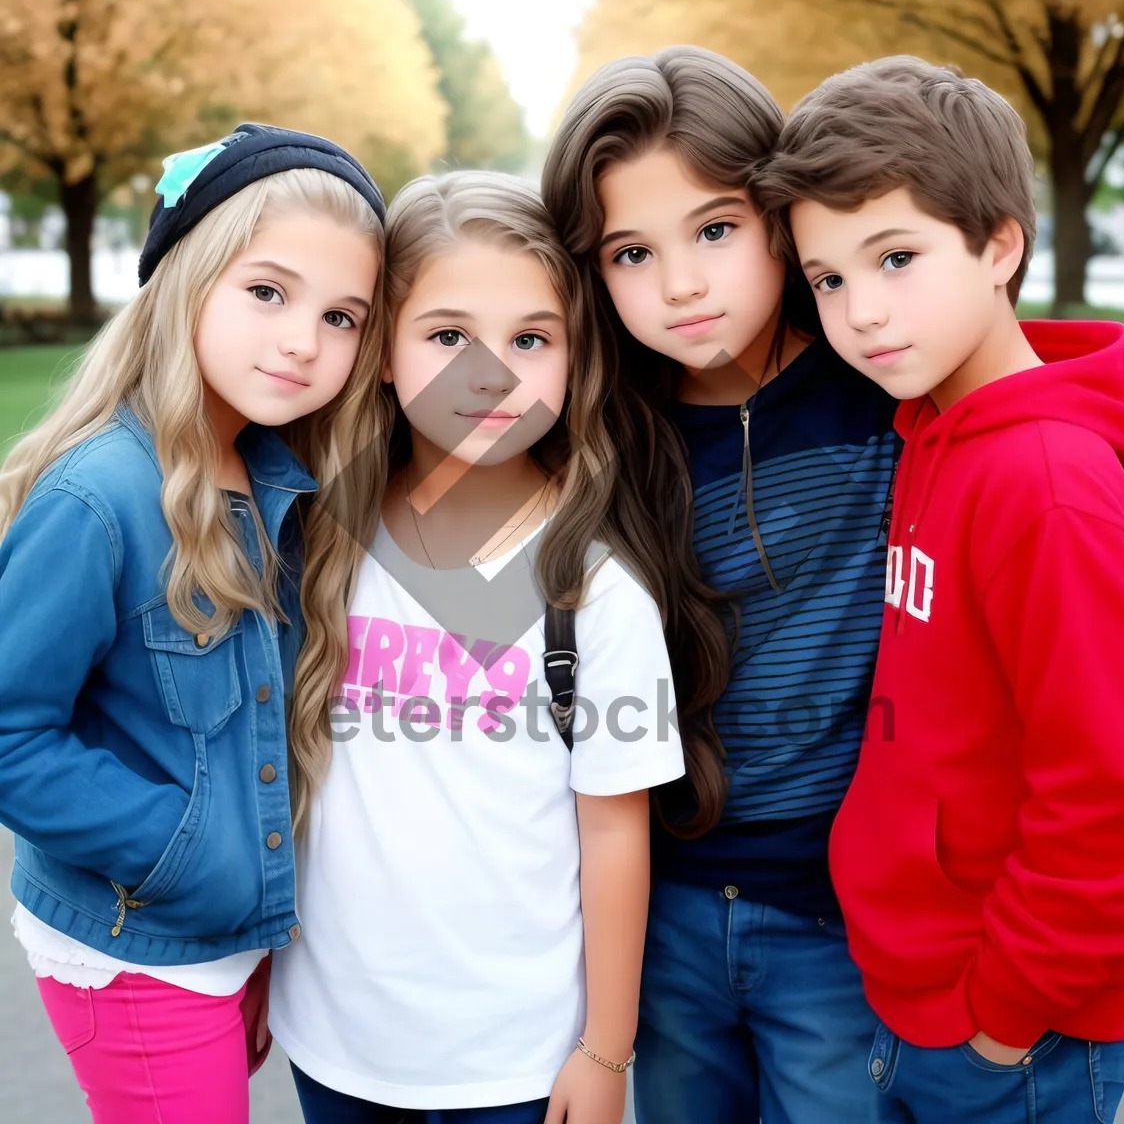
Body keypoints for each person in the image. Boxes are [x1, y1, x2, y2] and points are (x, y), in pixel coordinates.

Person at [756, 54, 1124, 1123]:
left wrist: (1003, 1015)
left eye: (896, 257)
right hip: (917, 988)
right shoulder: (934, 434)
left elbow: (1121, 788)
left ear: (1001, 244)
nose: (860, 312)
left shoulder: (1044, 483)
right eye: (829, 279)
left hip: (1013, 1025)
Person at [269, 171, 705, 1124]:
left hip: (520, 1061)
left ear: (573, 360)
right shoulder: (319, 542)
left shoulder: (594, 590)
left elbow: (613, 828)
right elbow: (291, 781)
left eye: (530, 341)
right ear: (383, 352)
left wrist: (607, 1047)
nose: (492, 375)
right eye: (448, 336)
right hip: (337, 1039)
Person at [0, 123, 390, 1124]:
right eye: (267, 292)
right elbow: (9, 730)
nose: (304, 339)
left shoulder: (278, 483)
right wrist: (186, 849)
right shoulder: (100, 498)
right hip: (132, 950)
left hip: (232, 937)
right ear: (185, 280)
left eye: (343, 316)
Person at [542, 46, 899, 1124]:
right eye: (631, 253)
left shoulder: (879, 384)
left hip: (841, 921)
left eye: (715, 230)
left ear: (779, 220)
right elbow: (419, 395)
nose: (682, 285)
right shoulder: (592, 423)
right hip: (665, 911)